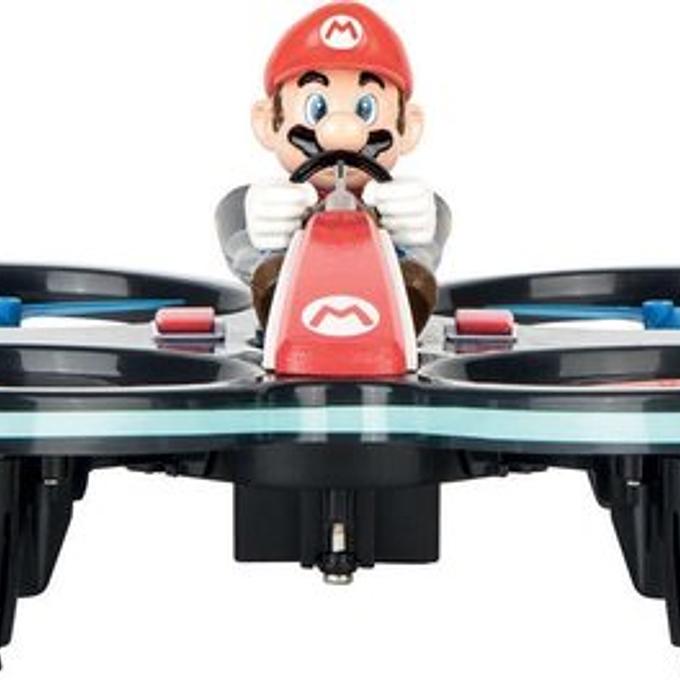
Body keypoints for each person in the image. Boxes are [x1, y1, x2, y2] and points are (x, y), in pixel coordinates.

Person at [216, 2, 451, 334]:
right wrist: (262, 224)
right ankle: (273, 282)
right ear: (268, 122)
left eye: (366, 109)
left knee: (430, 213)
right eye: (317, 108)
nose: (342, 132)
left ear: (409, 127)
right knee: (236, 208)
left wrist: (415, 223)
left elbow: (432, 224)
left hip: (387, 300)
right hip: (283, 312)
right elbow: (235, 226)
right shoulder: (250, 205)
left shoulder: (405, 203)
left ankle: (407, 288)